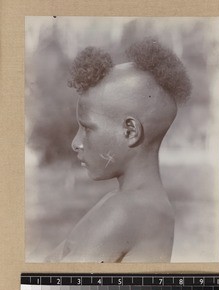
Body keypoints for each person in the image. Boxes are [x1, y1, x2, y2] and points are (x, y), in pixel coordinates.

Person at [46, 38, 191, 263]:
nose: (75, 142)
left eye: (87, 128)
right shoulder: (125, 202)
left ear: (130, 131)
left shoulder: (126, 211)